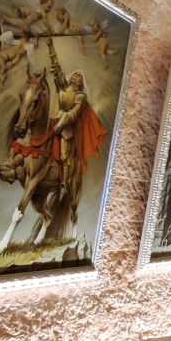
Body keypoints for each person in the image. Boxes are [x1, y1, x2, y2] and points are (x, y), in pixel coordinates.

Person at [50, 43, 107, 223]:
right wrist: (50, 46)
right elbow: (56, 69)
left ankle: (63, 185)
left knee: (64, 156)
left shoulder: (81, 97)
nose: (76, 77)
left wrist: (60, 125)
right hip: (55, 120)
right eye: (75, 75)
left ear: (82, 83)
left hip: (67, 128)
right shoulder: (63, 89)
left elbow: (73, 114)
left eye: (79, 77)